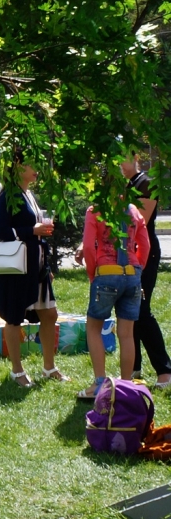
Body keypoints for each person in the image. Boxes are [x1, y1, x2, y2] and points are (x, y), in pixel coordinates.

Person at [0, 150, 68, 387]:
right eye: (31, 164)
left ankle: (49, 368)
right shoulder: (9, 195)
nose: (37, 169)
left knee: (50, 314)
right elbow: (1, 231)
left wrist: (46, 263)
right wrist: (31, 231)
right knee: (14, 317)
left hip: (37, 267)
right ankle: (17, 371)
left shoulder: (28, 194)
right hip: (18, 267)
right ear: (17, 166)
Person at [76, 196, 150, 400]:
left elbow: (88, 247)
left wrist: (93, 274)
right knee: (126, 334)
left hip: (106, 272)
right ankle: (126, 386)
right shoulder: (134, 210)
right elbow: (145, 245)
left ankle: (99, 384)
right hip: (132, 273)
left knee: (94, 328)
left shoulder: (95, 210)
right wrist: (137, 270)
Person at [122, 154, 171, 389]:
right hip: (128, 254)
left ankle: (165, 371)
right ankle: (134, 368)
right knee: (129, 309)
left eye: (123, 159)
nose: (119, 165)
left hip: (145, 253)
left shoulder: (145, 183)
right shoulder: (127, 185)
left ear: (135, 158)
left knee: (141, 309)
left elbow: (137, 222)